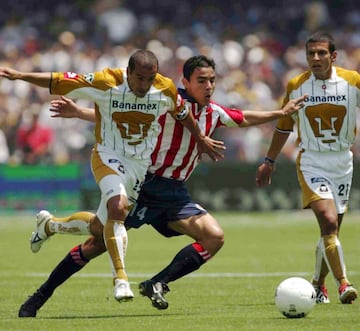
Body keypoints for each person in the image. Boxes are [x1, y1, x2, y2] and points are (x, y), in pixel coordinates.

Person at [17, 55, 306, 317]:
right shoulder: (163, 100)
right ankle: (41, 291)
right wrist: (80, 112)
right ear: (186, 82)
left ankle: (158, 283)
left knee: (214, 237)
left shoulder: (214, 113)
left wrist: (279, 113)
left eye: (212, 81)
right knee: (95, 241)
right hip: (143, 184)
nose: (208, 87)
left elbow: (245, 118)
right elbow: (122, 116)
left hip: (174, 194)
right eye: (201, 81)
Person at [0, 49, 223, 308]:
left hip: (142, 173)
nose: (144, 85)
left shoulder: (164, 89)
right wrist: (18, 75)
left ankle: (51, 226)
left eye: (149, 79)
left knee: (98, 228)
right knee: (108, 224)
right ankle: (108, 282)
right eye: (139, 78)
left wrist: (201, 139)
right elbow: (57, 79)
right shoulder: (106, 81)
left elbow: (184, 115)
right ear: (128, 72)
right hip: (109, 157)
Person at [255, 31, 359, 304]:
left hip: (343, 162)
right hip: (312, 160)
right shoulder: (296, 85)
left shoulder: (353, 82)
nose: (315, 58)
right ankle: (344, 285)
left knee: (331, 231)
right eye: (311, 53)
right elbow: (284, 126)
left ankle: (317, 283)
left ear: (333, 56)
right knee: (328, 221)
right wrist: (269, 160)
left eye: (321, 53)